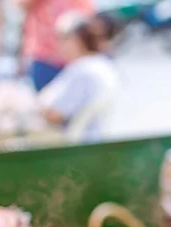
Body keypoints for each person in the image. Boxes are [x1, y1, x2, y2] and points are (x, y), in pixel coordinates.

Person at [35, 12, 118, 141]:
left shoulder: (83, 70)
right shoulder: (103, 64)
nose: (59, 44)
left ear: (76, 40)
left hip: (75, 142)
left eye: (63, 38)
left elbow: (55, 114)